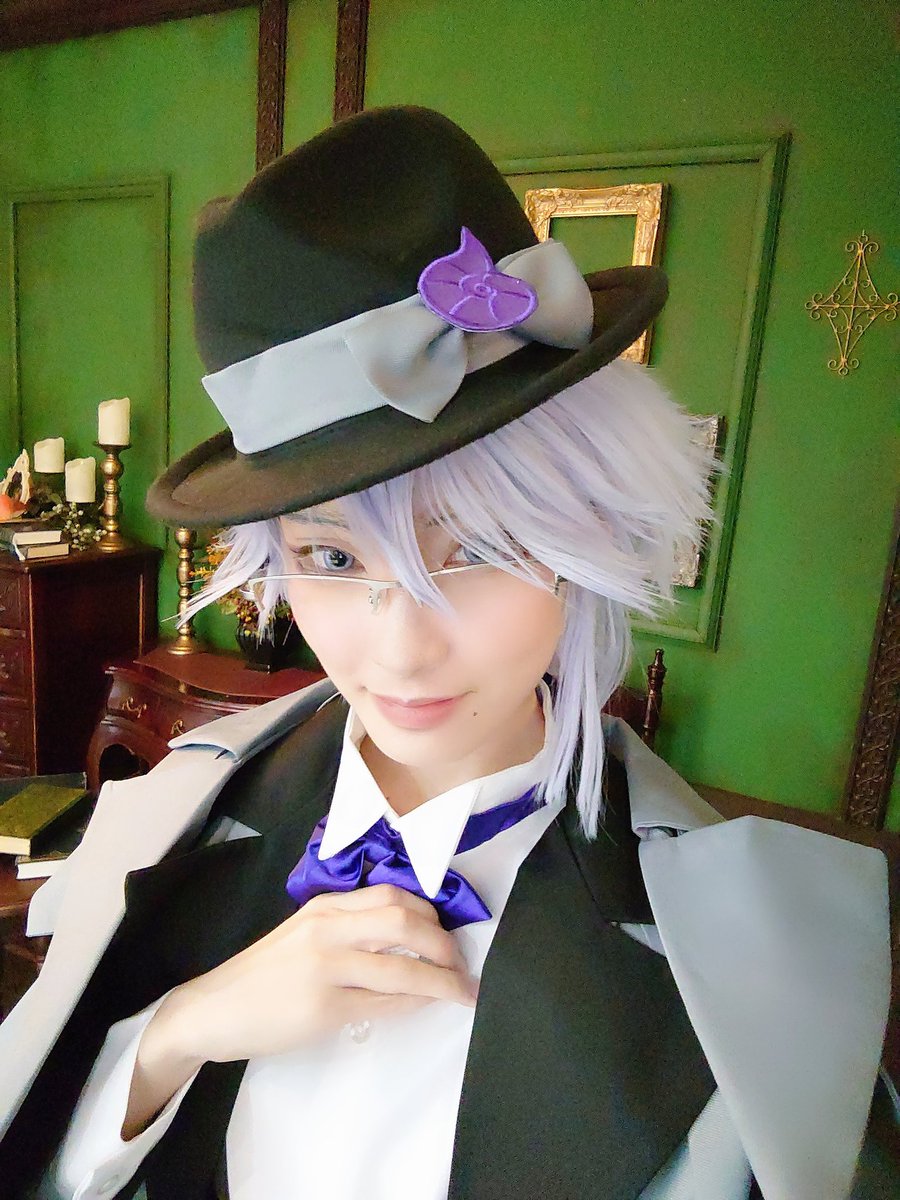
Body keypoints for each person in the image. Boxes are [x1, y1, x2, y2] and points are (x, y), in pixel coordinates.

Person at [0, 107, 892, 1200]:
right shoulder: (160, 821)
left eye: (478, 548)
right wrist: (173, 1037)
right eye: (332, 556)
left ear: (588, 536)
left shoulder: (758, 958)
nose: (402, 645)